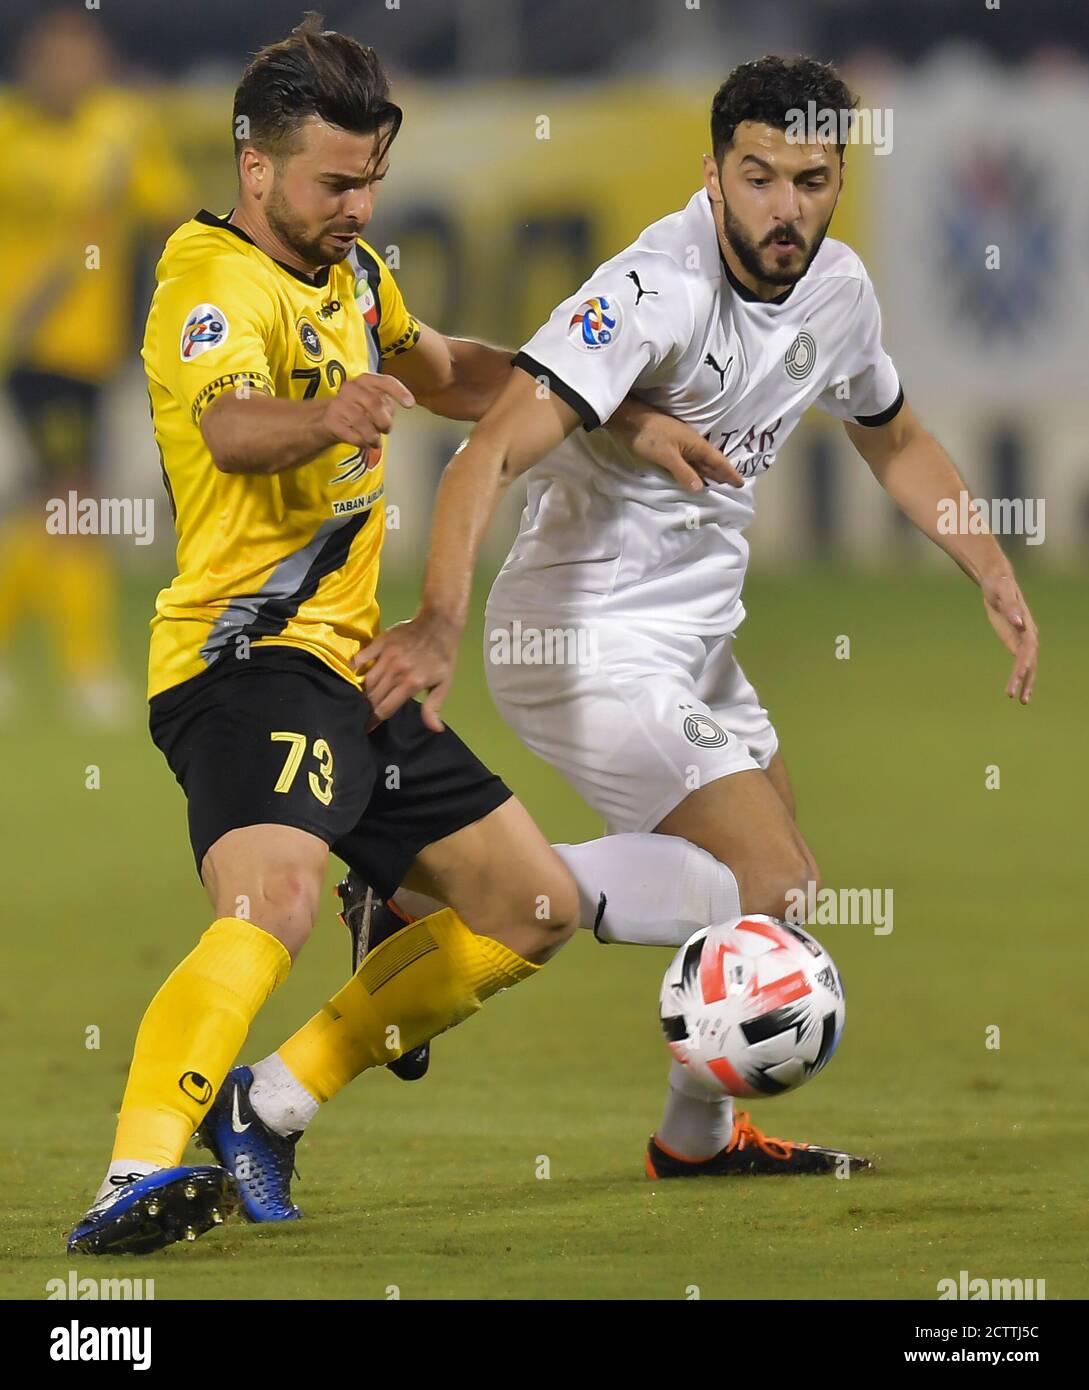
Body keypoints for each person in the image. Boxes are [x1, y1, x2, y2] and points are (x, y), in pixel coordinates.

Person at [66, 15, 747, 1254]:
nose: (360, 205)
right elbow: (229, 432)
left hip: (354, 667)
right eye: (337, 182)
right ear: (255, 167)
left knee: (532, 906)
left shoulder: (359, 276)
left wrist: (620, 414)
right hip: (243, 663)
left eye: (373, 179)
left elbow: (448, 369)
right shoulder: (207, 276)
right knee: (271, 899)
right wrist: (326, 412)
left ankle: (264, 1108)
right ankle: (131, 1174)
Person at [341, 54, 1039, 1183]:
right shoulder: (651, 289)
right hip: (585, 637)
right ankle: (432, 879)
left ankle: (696, 1139)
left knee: (776, 887)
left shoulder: (839, 291)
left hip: (695, 640)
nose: (784, 207)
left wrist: (991, 569)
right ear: (712, 173)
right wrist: (436, 620)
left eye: (810, 180)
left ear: (840, 179)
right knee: (772, 887)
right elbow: (488, 449)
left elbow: (895, 439)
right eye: (758, 177)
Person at [0, 8, 192, 723]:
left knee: (48, 505)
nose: (65, 73)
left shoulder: (121, 131)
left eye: (79, 59)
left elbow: (168, 215)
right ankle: (87, 670)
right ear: (30, 66)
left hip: (94, 349)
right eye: (53, 59)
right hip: (30, 347)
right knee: (73, 501)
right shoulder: (8, 135)